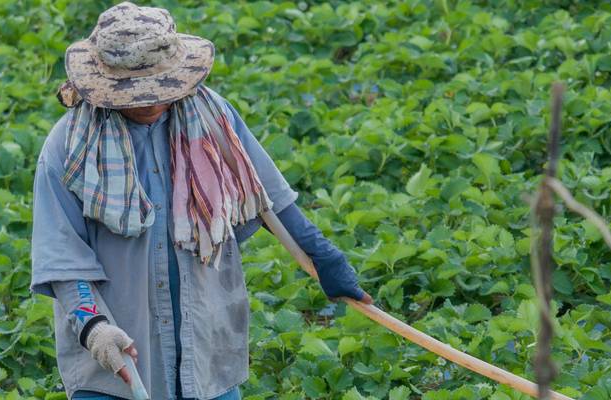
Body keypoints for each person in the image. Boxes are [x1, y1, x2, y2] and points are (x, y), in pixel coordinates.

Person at [30, 3, 372, 399]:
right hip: (116, 363)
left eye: (160, 88)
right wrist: (95, 327)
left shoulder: (213, 118)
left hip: (206, 348)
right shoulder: (69, 145)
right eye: (135, 94)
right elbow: (63, 257)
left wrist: (322, 254)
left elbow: (268, 198)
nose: (151, 102)